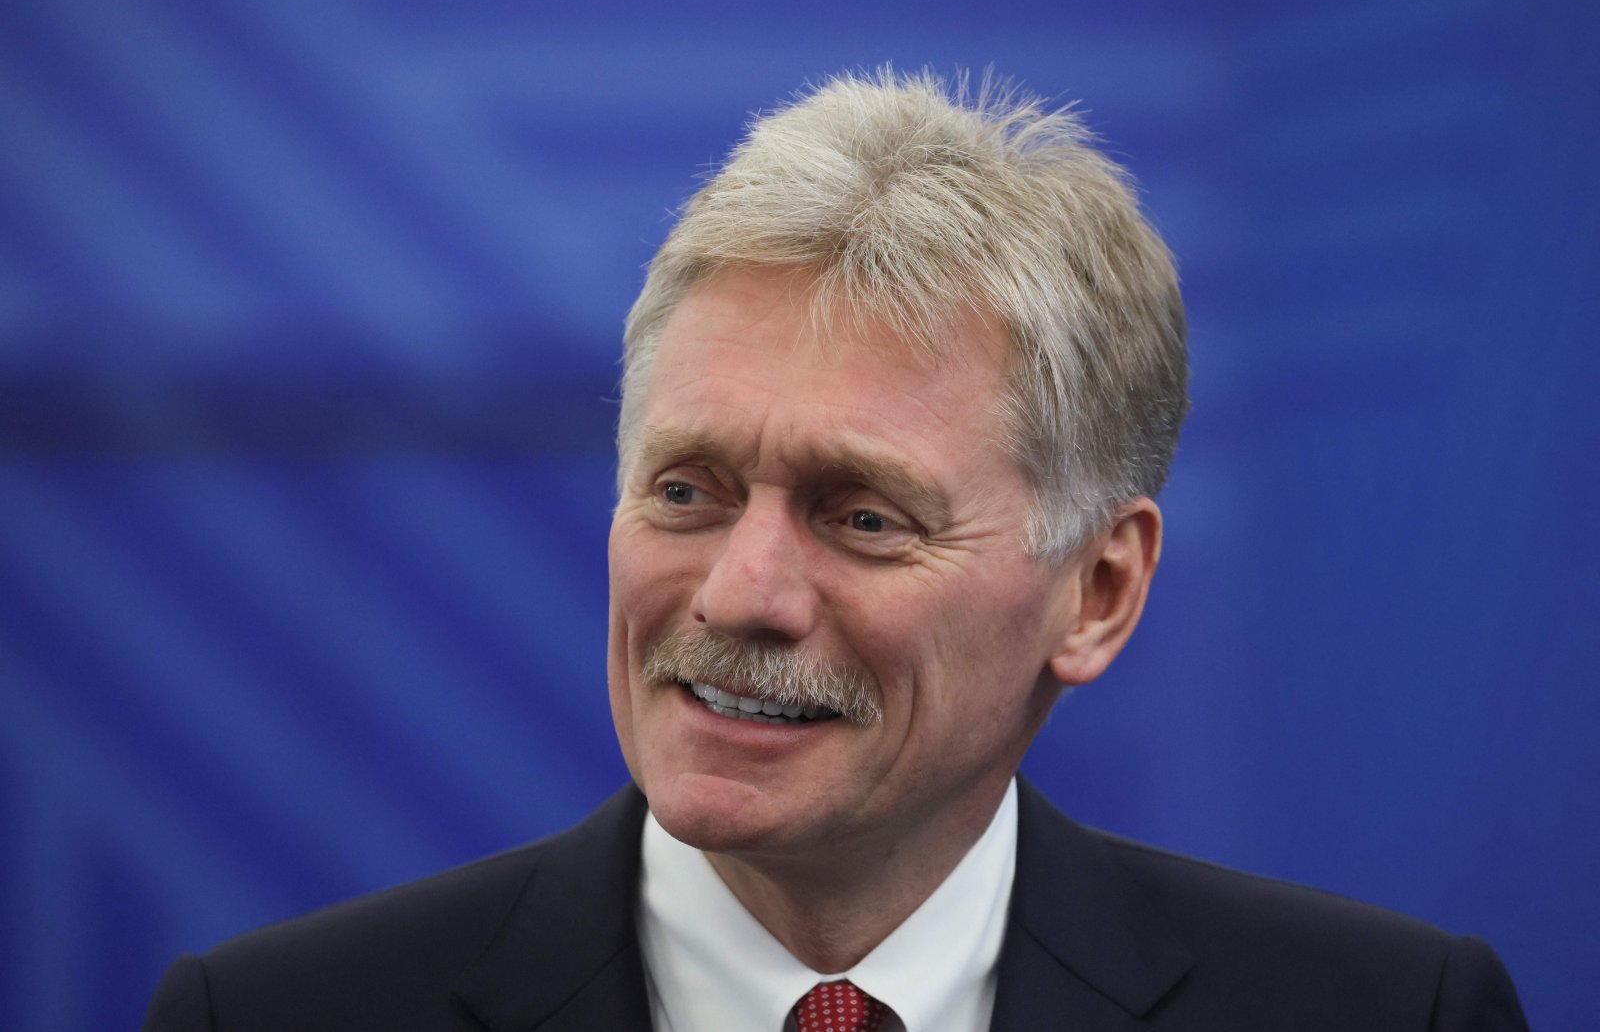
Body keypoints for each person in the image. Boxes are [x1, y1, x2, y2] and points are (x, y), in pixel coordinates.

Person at [144, 69, 1528, 1031]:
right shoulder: (267, 1016)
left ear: (1098, 590)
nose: (741, 592)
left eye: (863, 515)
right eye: (686, 490)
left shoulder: (1388, 1013)